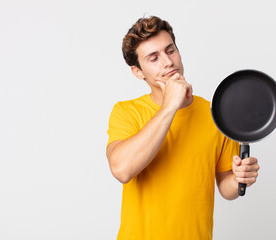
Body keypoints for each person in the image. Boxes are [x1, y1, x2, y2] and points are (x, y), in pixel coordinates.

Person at [106, 16, 260, 240]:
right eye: (153, 58)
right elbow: (122, 170)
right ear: (138, 72)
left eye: (170, 50)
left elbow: (225, 186)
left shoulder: (214, 113)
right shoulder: (126, 112)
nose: (168, 62)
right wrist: (170, 106)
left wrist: (239, 179)